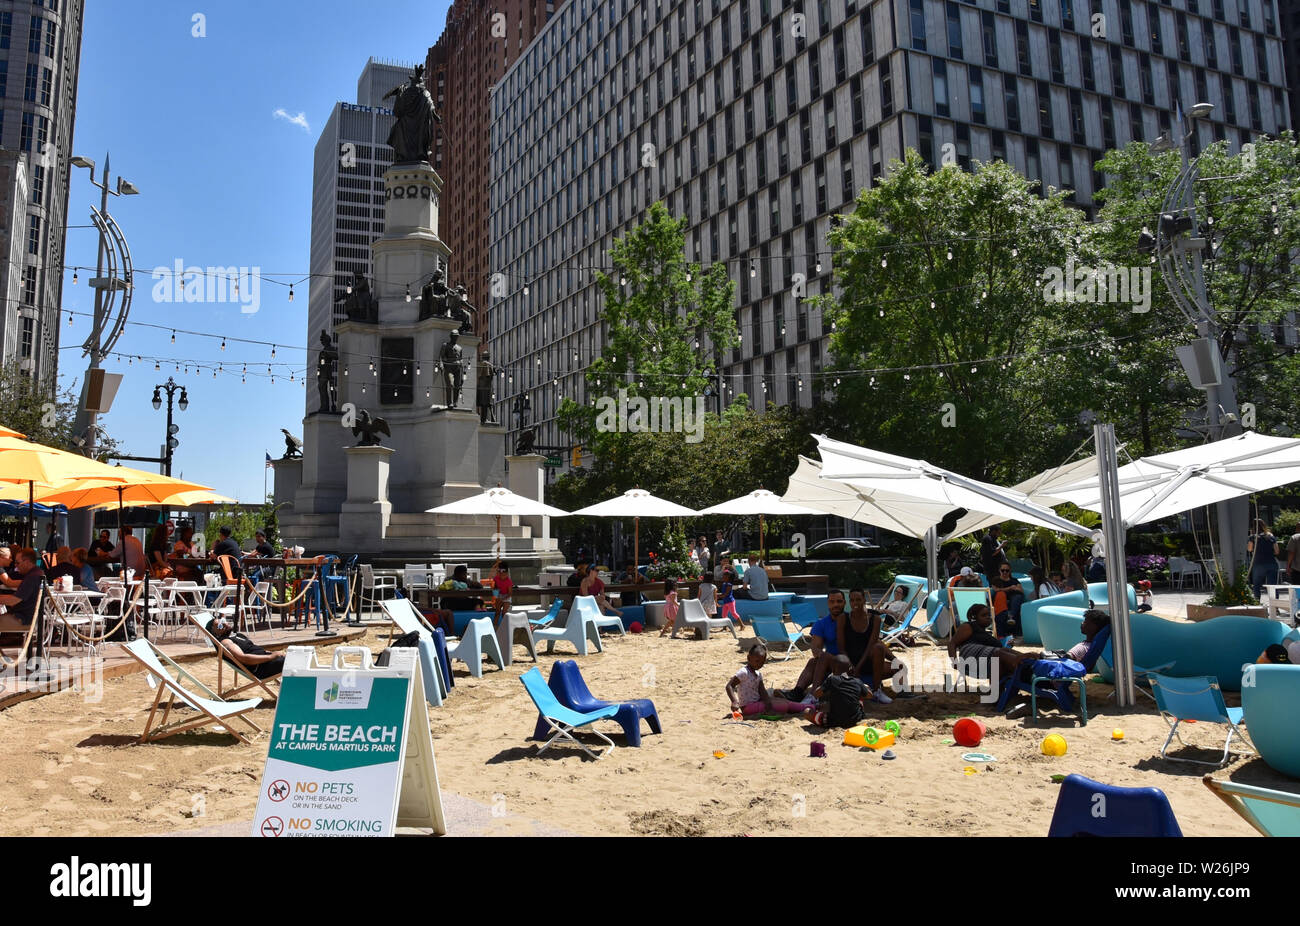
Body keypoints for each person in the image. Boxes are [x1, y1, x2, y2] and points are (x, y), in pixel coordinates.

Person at [777, 589, 848, 703]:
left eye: (839, 601)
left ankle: (812, 694)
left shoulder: (851, 620)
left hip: (848, 661)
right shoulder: (822, 623)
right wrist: (822, 657)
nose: (836, 605)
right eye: (832, 602)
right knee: (813, 661)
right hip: (831, 661)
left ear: (844, 603)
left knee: (821, 658)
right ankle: (798, 691)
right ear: (828, 603)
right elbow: (815, 649)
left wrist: (824, 657)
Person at [948, 602, 1036, 682]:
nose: (988, 617)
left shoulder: (987, 634)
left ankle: (1031, 665)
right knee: (1001, 653)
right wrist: (955, 662)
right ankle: (1026, 665)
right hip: (971, 657)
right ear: (974, 617)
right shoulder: (969, 626)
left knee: (1006, 652)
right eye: (983, 615)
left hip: (988, 659)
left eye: (989, 615)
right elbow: (952, 643)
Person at [836, 588, 893, 703]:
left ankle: (877, 690)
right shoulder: (843, 618)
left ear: (864, 600)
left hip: (868, 660)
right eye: (852, 600)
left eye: (858, 599)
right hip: (850, 661)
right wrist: (852, 666)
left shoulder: (875, 619)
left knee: (881, 650)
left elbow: (871, 645)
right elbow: (841, 648)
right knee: (839, 659)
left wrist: (859, 667)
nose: (855, 603)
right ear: (849, 602)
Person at [725, 644, 811, 717]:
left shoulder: (758, 675)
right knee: (783, 705)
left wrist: (768, 704)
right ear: (749, 658)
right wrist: (734, 701)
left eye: (762, 663)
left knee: (783, 701)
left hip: (758, 702)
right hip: (747, 708)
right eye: (757, 661)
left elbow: (763, 692)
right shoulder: (743, 672)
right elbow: (729, 686)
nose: (759, 664)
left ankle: (809, 707)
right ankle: (805, 708)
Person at [209, 615, 285, 680]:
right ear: (216, 634)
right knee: (292, 663)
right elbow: (243, 658)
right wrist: (271, 657)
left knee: (294, 657)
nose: (224, 624)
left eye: (222, 621)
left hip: (267, 660)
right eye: (220, 625)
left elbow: (254, 649)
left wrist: (273, 653)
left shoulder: (238, 635)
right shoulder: (226, 642)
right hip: (261, 667)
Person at [810, 655, 875, 728]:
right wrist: (865, 686)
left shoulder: (832, 679)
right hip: (856, 721)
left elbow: (816, 694)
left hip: (834, 722)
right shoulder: (857, 681)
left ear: (833, 668)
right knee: (859, 697)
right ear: (850, 669)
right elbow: (869, 695)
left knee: (807, 712)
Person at [0, 548, 45, 632]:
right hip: (24, 617)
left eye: (17, 562)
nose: (15, 565)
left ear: (27, 562)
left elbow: (13, 600)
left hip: (23, 619)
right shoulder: (36, 573)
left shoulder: (32, 577)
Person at [1247, 520, 1281, 601]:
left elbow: (1249, 549)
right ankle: (1275, 606)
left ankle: (1257, 603)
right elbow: (1277, 551)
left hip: (1258, 563)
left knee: (1257, 585)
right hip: (1271, 563)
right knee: (1272, 586)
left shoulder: (1252, 537)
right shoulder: (1271, 536)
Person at [989, 564, 1026, 636]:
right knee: (1001, 594)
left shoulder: (1014, 580)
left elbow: (1021, 590)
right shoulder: (996, 580)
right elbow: (996, 589)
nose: (1005, 572)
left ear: (1010, 571)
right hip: (1002, 600)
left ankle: (1010, 615)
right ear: (999, 571)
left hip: (1015, 598)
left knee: (1017, 597)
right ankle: (1010, 618)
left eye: (1007, 570)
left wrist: (1015, 588)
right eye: (1003, 570)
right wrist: (1009, 588)